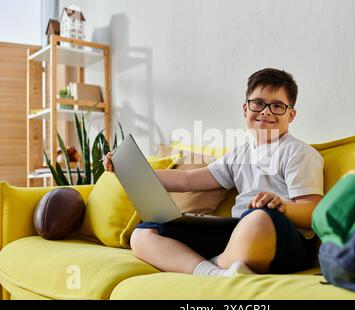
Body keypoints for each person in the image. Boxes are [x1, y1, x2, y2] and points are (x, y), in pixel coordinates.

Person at [103, 68, 324, 276]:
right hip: (238, 230)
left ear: (291, 115)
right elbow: (187, 180)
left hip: (283, 237)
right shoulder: (239, 154)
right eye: (258, 103)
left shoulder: (299, 152)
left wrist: (283, 206)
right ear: (245, 109)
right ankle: (212, 272)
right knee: (144, 234)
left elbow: (312, 213)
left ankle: (220, 261)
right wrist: (129, 169)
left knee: (258, 219)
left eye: (277, 106)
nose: (266, 111)